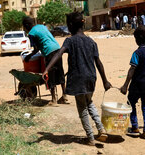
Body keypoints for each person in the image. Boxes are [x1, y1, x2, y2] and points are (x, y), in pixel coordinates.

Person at [42, 11, 112, 146]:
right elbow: (98, 63)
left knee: (82, 108)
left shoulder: (70, 41)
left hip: (78, 79)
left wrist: (46, 69)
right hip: (91, 78)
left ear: (71, 25)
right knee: (89, 102)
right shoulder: (91, 42)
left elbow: (58, 54)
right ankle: (101, 129)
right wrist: (105, 81)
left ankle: (90, 138)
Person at [22, 16, 67, 105]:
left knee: (50, 75)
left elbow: (36, 49)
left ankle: (54, 99)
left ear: (27, 26)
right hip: (58, 48)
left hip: (49, 52)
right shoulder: (42, 26)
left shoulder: (31, 33)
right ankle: (64, 96)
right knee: (60, 71)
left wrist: (28, 56)